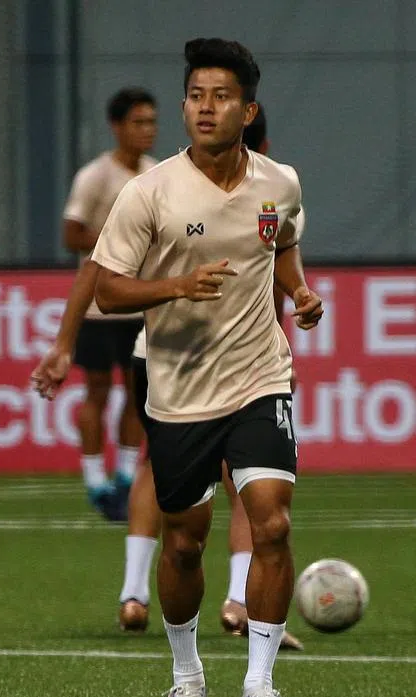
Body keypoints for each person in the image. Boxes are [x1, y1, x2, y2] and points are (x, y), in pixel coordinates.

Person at [29, 104, 304, 652]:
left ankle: (195, 600)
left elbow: (279, 270)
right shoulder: (159, 187)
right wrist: (63, 344)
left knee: (239, 484)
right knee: (196, 488)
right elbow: (97, 269)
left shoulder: (275, 194)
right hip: (167, 355)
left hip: (243, 365)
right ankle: (175, 597)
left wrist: (292, 312)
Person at [61, 87, 158, 519]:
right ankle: (93, 480)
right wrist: (119, 243)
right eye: (138, 122)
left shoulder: (157, 175)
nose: (147, 130)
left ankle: (122, 479)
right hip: (101, 305)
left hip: (141, 305)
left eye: (152, 122)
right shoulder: (95, 176)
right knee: (97, 391)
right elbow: (71, 234)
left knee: (139, 395)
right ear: (117, 126)